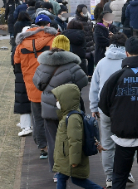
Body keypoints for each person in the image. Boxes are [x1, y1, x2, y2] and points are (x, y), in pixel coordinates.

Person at [99, 36, 138, 189]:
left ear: (126, 53)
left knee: (119, 177)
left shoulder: (115, 78)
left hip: (122, 137)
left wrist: (118, 119)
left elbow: (104, 105)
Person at [33, 35, 89, 179]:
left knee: (52, 140)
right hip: (69, 108)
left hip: (48, 109)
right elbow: (82, 82)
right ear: (68, 48)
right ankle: (73, 167)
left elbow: (37, 83)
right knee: (73, 138)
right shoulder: (73, 66)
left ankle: (57, 171)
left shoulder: (43, 65)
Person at [89, 33, 132, 188]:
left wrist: (93, 107)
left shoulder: (101, 63)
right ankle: (125, 172)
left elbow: (94, 87)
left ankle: (109, 177)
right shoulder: (129, 63)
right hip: (126, 109)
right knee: (126, 143)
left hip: (105, 109)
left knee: (107, 143)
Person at [14, 14, 57, 160]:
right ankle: (54, 145)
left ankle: (42, 147)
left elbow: (16, 62)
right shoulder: (53, 39)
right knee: (53, 117)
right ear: (48, 25)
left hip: (31, 85)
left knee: (37, 118)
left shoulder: (22, 42)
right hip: (50, 84)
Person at [51, 84, 104, 189]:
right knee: (66, 178)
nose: (57, 102)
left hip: (69, 158)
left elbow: (75, 140)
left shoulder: (73, 118)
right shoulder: (70, 115)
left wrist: (74, 161)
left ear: (66, 100)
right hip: (66, 157)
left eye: (59, 100)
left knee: (74, 179)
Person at [12, 15, 33, 137]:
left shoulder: (18, 47)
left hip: (21, 76)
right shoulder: (36, 45)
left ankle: (26, 126)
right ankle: (29, 124)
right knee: (32, 102)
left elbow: (15, 63)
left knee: (22, 102)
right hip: (33, 76)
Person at [74, 5, 95, 74]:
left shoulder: (89, 20)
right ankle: (83, 75)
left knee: (91, 61)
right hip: (82, 45)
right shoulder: (76, 21)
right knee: (82, 62)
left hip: (90, 44)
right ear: (79, 12)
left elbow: (91, 32)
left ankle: (90, 75)